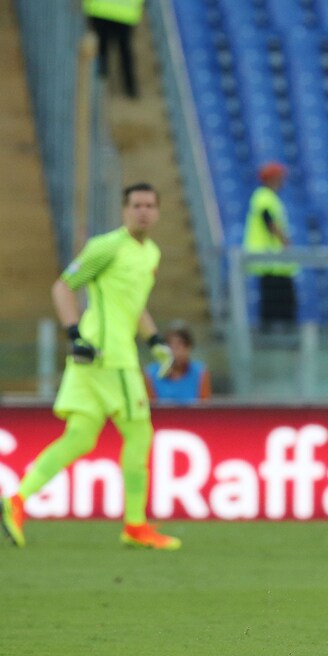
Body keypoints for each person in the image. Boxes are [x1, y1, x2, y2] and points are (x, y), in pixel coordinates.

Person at [0, 184, 179, 550]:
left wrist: (155, 341)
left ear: (158, 212)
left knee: (79, 438)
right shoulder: (106, 247)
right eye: (136, 205)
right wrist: (74, 334)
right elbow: (63, 287)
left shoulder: (151, 254)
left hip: (95, 361)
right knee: (139, 435)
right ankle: (135, 525)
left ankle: (15, 501)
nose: (143, 211)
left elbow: (133, 305)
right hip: (109, 357)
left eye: (150, 205)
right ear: (124, 210)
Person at [243, 161, 296, 331]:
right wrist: (285, 241)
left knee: (280, 304)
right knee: (274, 304)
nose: (282, 181)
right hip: (270, 260)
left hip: (275, 262)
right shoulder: (263, 196)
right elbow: (269, 220)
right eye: (279, 177)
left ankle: (278, 334)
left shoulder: (269, 197)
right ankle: (272, 337)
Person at [84, 0, 143, 99]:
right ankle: (130, 88)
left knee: (101, 50)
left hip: (100, 9)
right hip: (125, 12)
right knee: (125, 52)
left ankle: (100, 84)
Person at [144, 324, 211, 404]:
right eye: (170, 345)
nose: (174, 351)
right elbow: (149, 406)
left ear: (189, 348)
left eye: (179, 345)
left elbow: (205, 407)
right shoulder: (151, 373)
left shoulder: (200, 373)